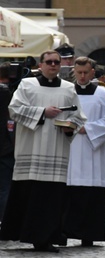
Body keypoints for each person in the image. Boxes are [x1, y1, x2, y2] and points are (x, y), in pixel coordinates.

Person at [0, 50, 87, 252]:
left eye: (57, 62)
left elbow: (79, 116)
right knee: (30, 196)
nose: (53, 65)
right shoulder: (27, 85)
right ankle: (26, 235)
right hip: (30, 151)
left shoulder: (68, 88)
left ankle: (46, 238)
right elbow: (14, 109)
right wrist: (43, 112)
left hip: (56, 151)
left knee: (51, 198)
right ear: (41, 65)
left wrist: (69, 126)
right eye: (49, 62)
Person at [63, 57, 105, 247]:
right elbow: (60, 116)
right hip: (71, 148)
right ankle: (66, 233)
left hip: (94, 149)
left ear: (93, 72)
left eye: (86, 72)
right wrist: (67, 126)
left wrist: (90, 129)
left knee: (92, 195)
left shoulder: (104, 94)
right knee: (70, 193)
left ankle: (89, 235)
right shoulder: (67, 92)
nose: (82, 76)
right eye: (78, 73)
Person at [0, 62, 14, 223]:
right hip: (6, 148)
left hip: (5, 147)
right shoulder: (6, 93)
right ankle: (4, 221)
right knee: (5, 188)